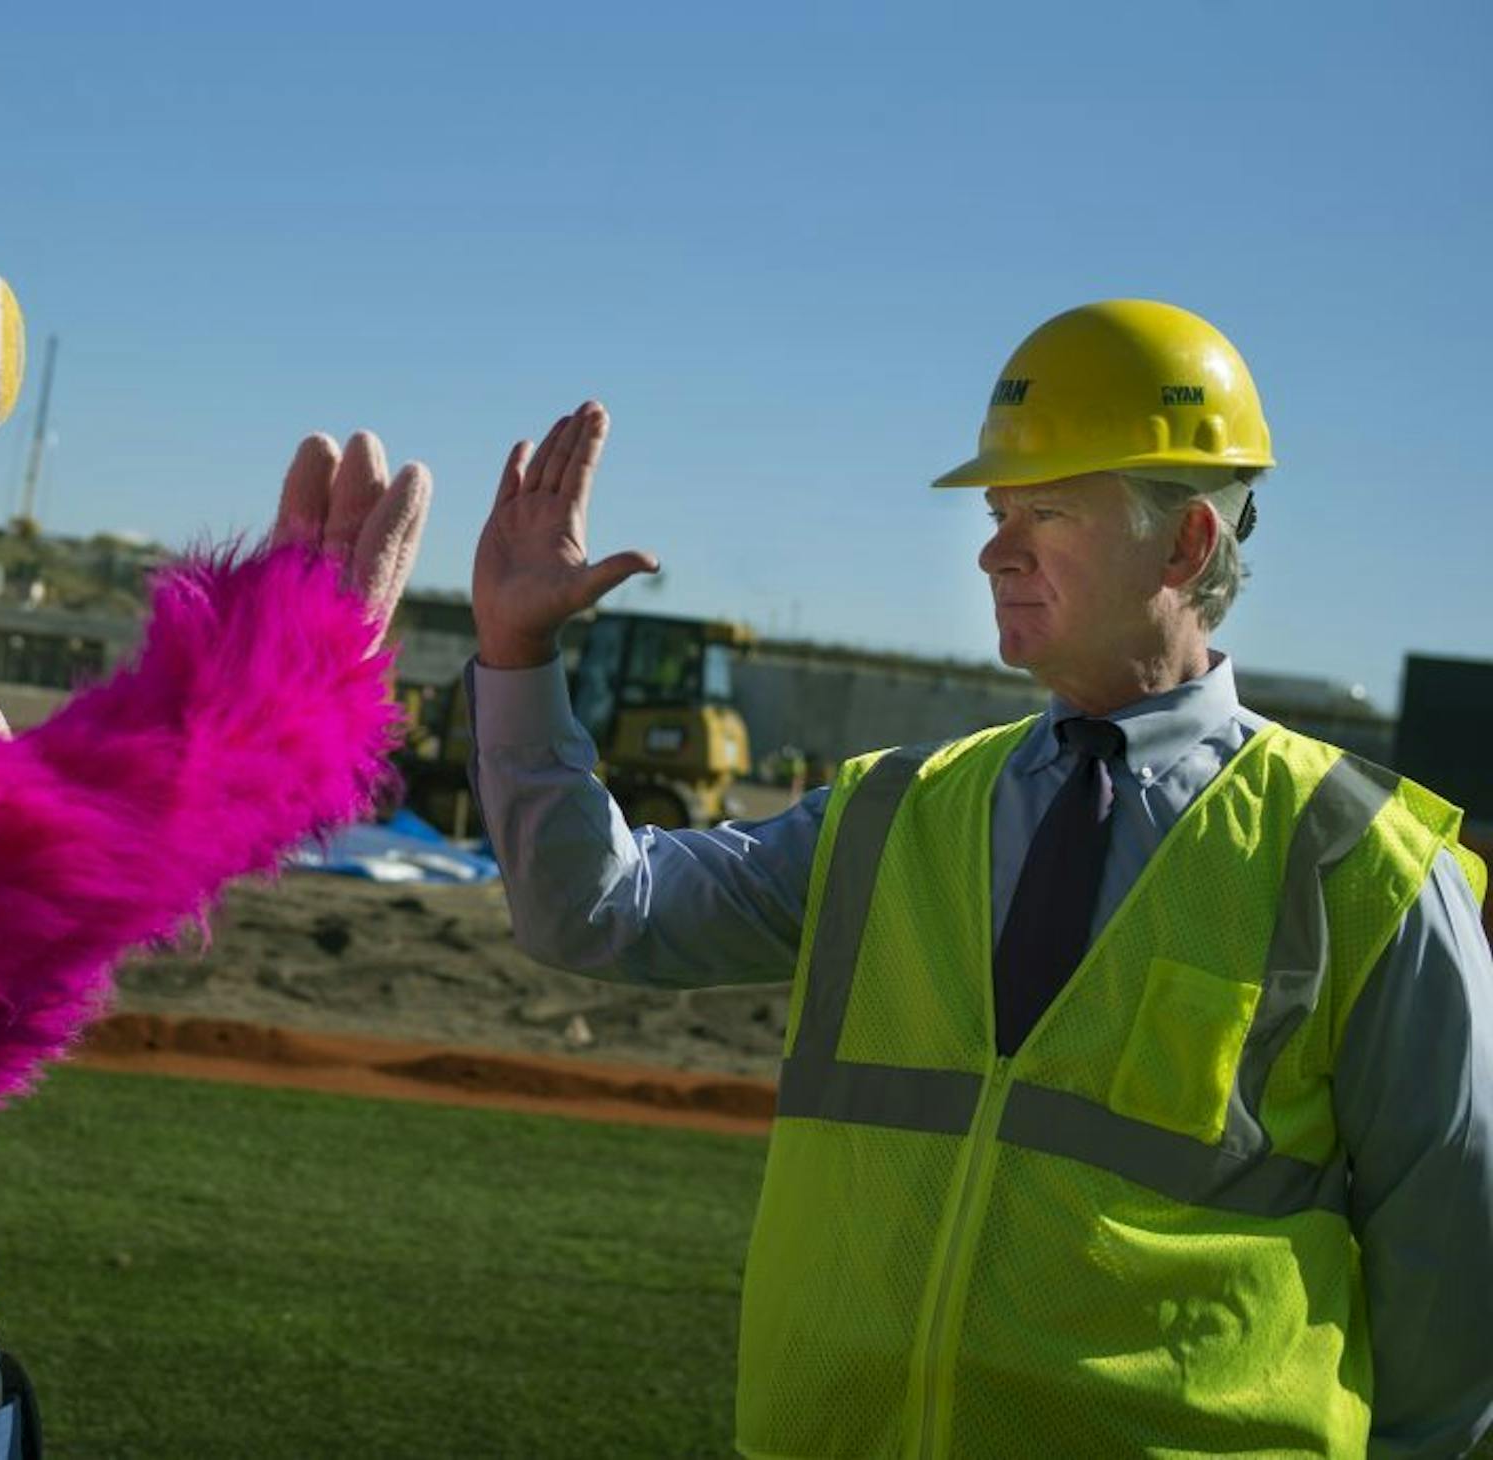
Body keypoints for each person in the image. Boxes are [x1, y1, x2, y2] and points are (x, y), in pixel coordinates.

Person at [467, 301, 1493, 1457]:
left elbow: (1452, 1270)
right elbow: (593, 912)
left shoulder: (1361, 860)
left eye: (1045, 509)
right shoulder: (892, 811)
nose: (994, 549)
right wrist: (518, 658)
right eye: (1001, 509)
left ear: (1186, 544)